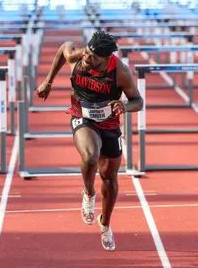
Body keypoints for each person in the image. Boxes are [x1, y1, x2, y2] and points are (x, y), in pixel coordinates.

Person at [36, 30, 143, 251]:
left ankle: (105, 224)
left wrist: (125, 106)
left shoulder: (120, 73)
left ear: (106, 59)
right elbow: (63, 46)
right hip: (82, 116)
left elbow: (138, 101)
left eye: (93, 57)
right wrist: (48, 81)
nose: (87, 58)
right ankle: (88, 193)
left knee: (110, 180)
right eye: (87, 52)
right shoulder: (79, 55)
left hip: (110, 124)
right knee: (90, 155)